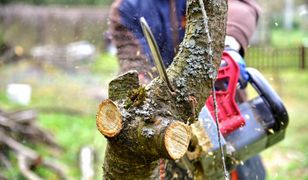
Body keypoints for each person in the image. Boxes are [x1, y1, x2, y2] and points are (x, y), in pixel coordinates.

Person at [108, 0, 265, 179]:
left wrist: (227, 43)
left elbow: (242, 6)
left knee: (247, 172)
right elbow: (133, 64)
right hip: (172, 133)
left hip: (228, 115)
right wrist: (148, 93)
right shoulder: (126, 8)